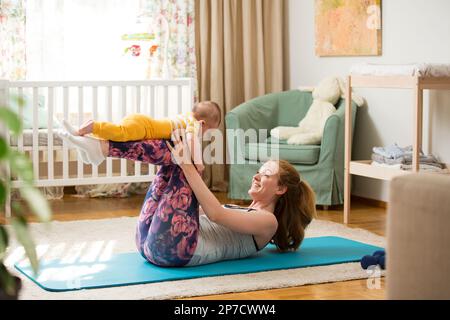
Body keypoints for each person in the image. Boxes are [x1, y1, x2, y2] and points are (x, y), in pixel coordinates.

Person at [56, 128, 316, 267]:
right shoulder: (246, 211)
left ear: (281, 189)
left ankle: (101, 149)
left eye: (266, 174)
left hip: (176, 251)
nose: (256, 176)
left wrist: (191, 167)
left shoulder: (267, 222)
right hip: (150, 242)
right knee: (173, 156)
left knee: (181, 157)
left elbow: (215, 213)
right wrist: (189, 168)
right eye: (258, 172)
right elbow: (197, 210)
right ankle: (100, 150)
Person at [61, 101, 221, 173]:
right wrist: (199, 164)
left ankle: (84, 139)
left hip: (142, 122)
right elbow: (192, 140)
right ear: (202, 122)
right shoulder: (193, 124)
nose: (204, 134)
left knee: (118, 133)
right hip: (143, 127)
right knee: (120, 133)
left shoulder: (186, 116)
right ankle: (91, 126)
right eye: (208, 130)